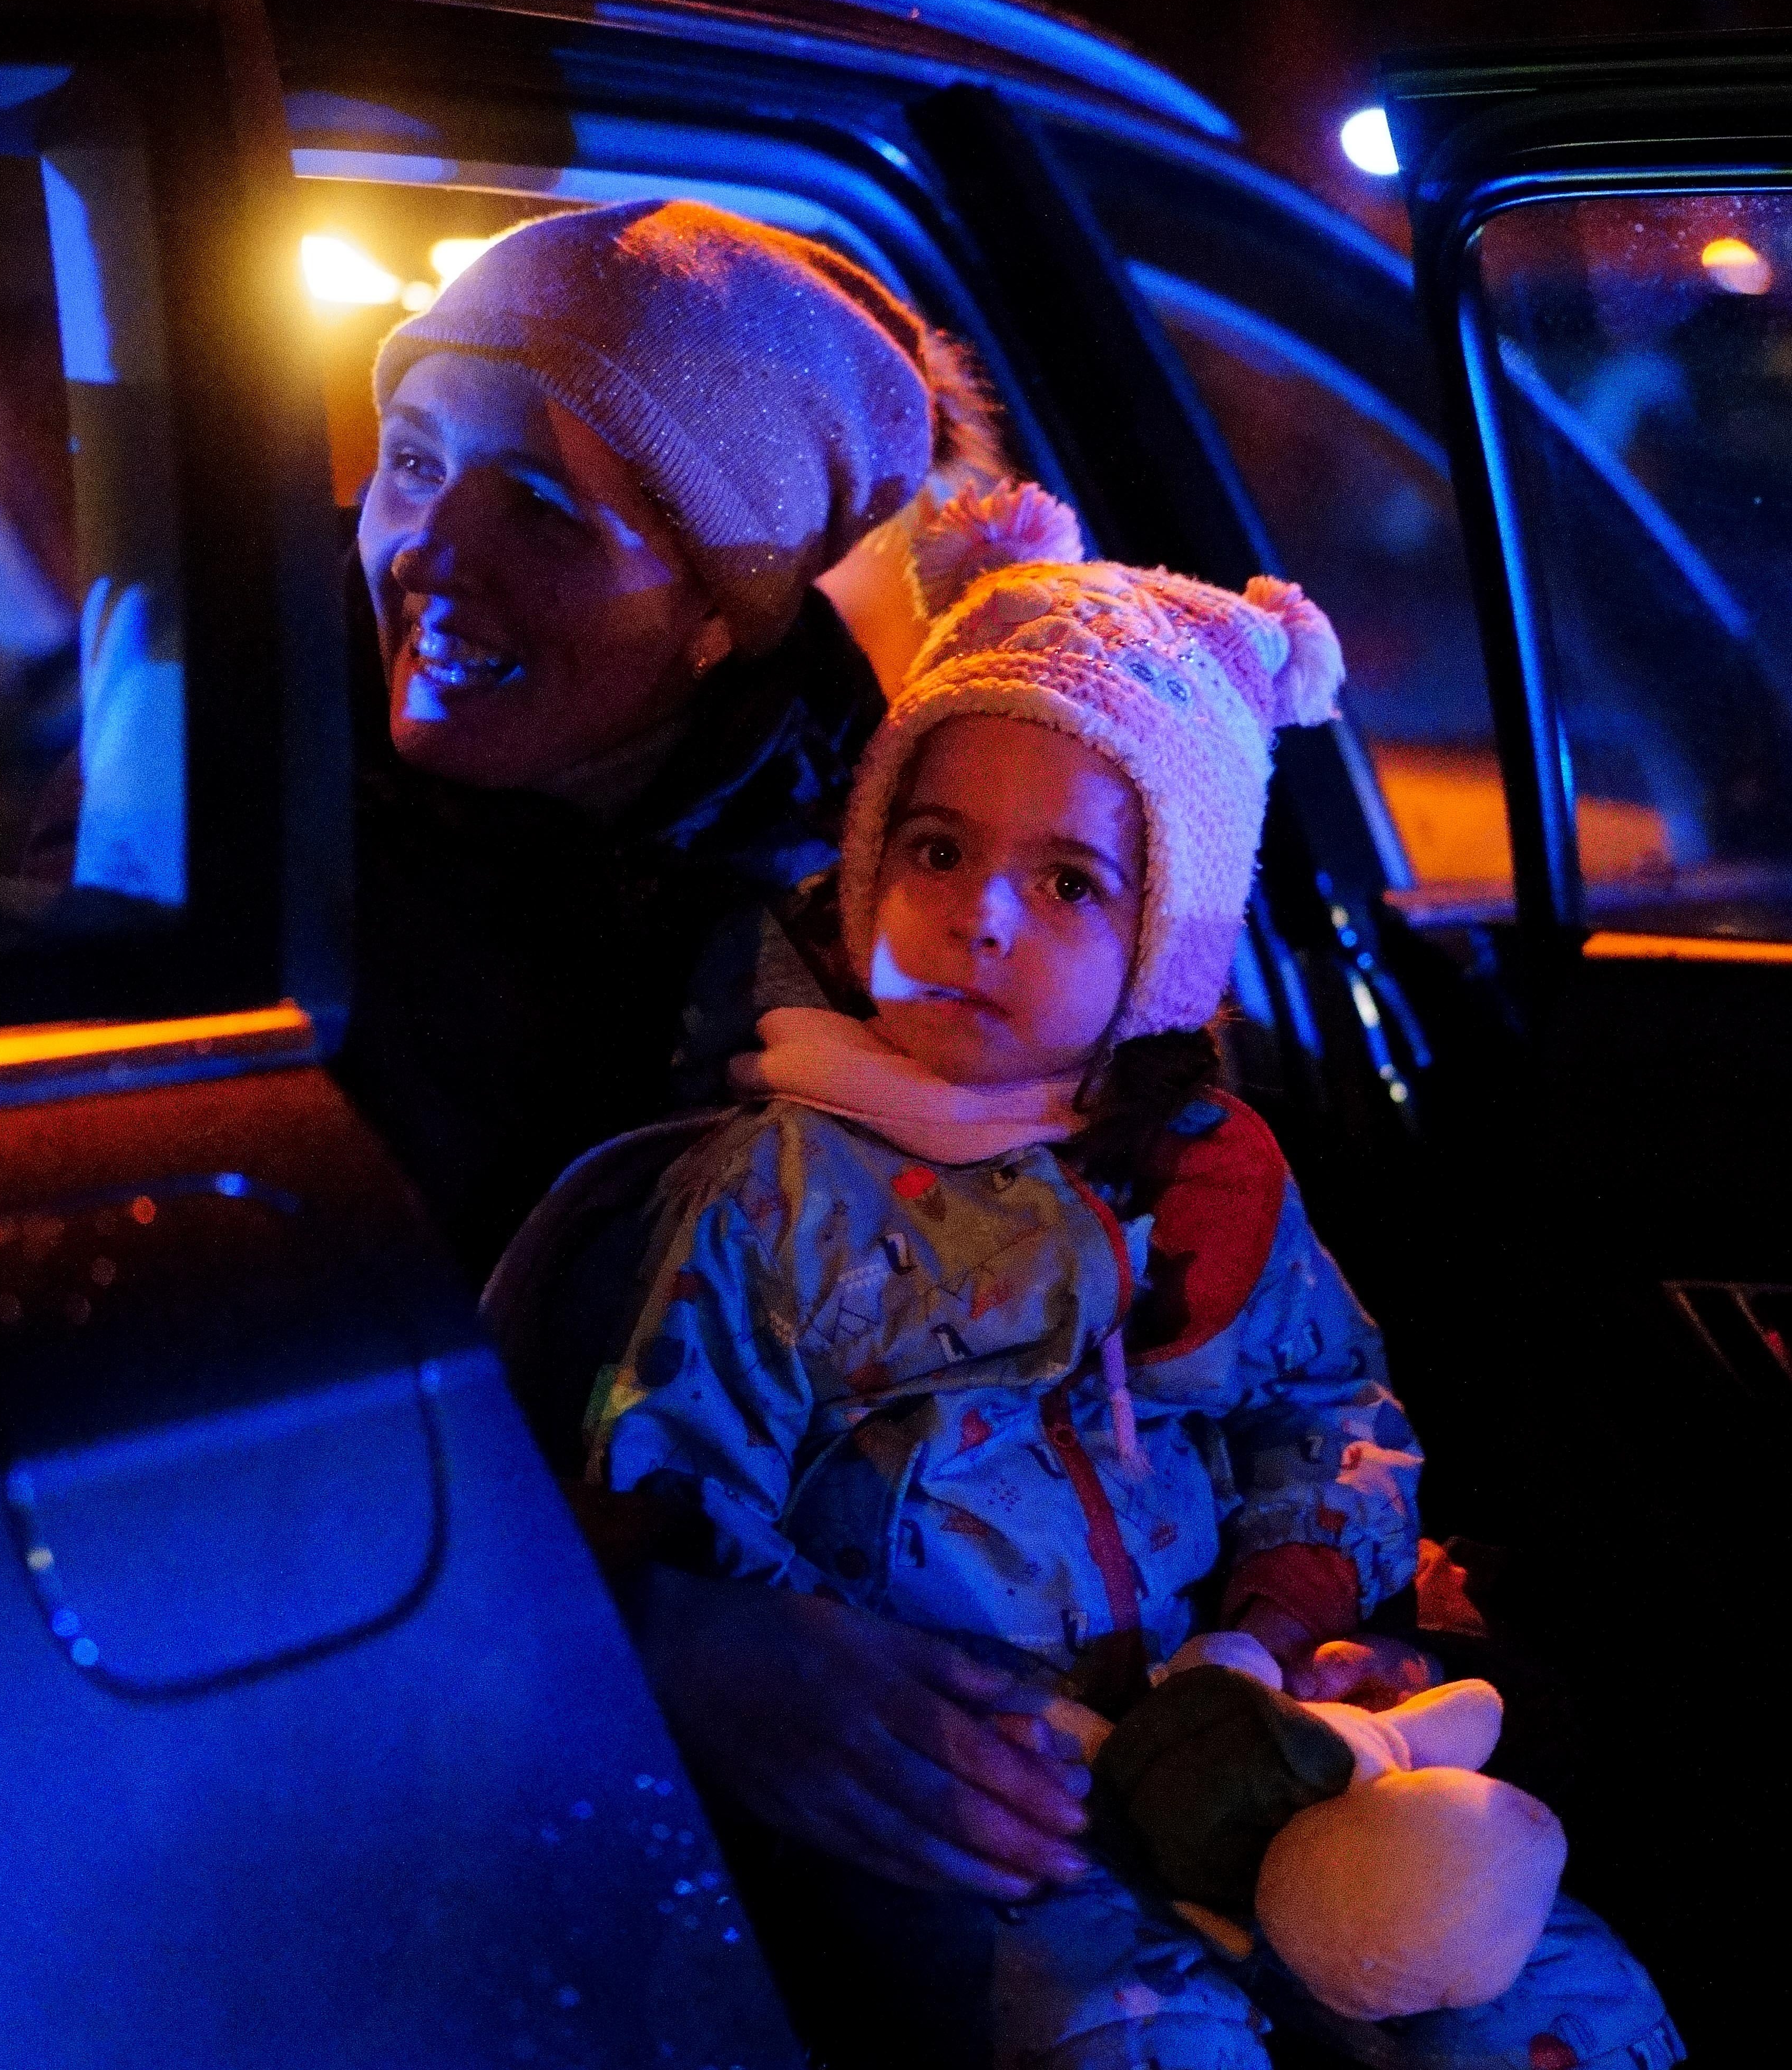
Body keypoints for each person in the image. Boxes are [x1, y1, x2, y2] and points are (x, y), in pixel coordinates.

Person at [583, 484, 1682, 2070]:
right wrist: (846, 1699)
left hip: (1237, 1735)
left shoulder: (1201, 1168)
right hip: (984, 1815)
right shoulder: (776, 1189)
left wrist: (1291, 1623)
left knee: (1539, 1989)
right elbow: (671, 1491)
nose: (978, 917)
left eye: (1069, 883)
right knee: (1138, 2037)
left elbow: (1325, 1406)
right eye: (939, 848)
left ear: (1164, 944)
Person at [339, 195, 984, 1264]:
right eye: (414, 463)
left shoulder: (856, 942)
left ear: (716, 618)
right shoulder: (218, 761)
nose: (426, 552)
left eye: (543, 506)